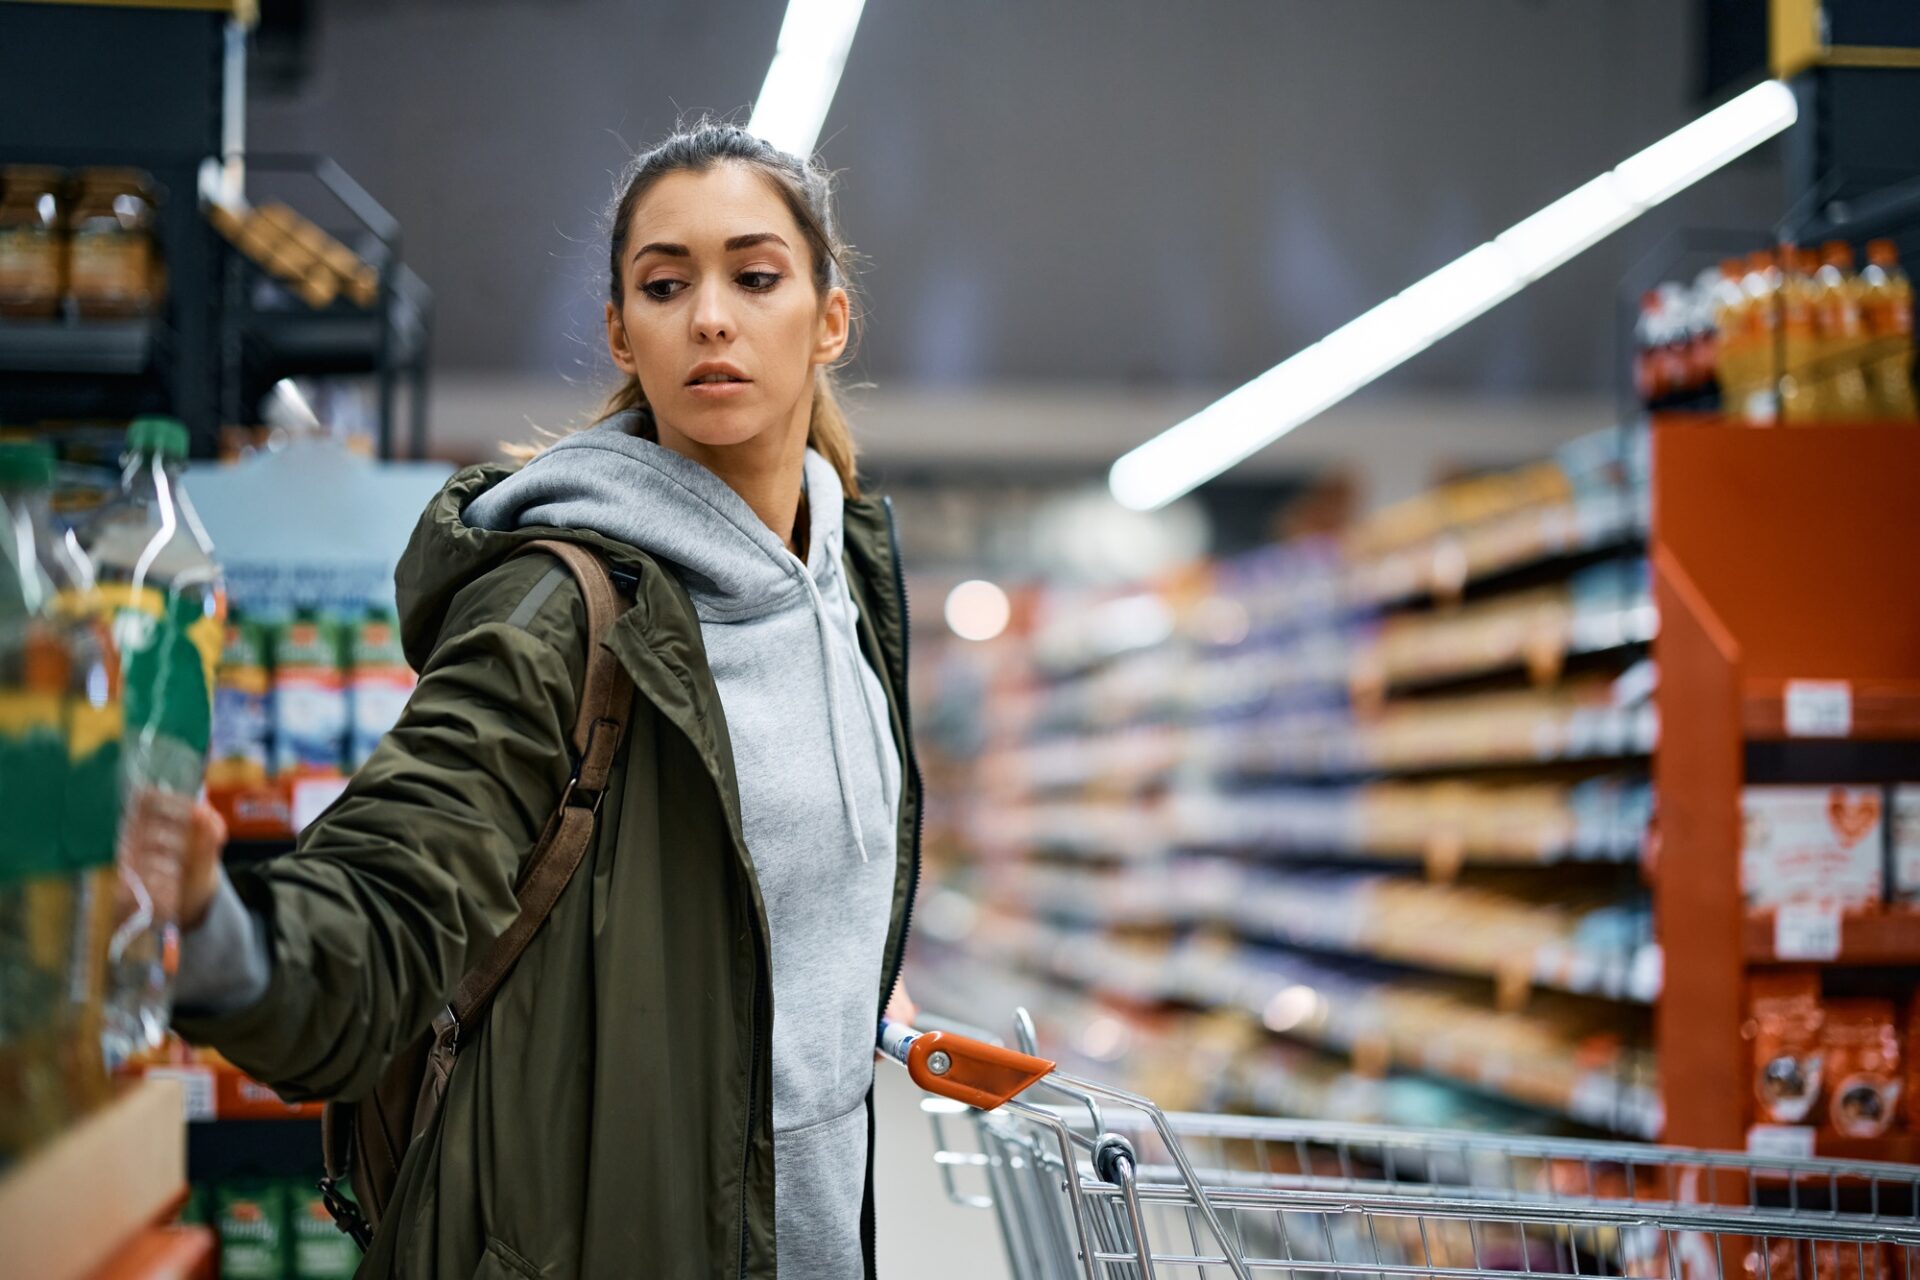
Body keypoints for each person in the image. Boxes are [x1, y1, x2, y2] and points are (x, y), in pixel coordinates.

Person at [171, 123, 922, 1279]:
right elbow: (399, 871)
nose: (711, 316)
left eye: (755, 276)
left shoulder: (853, 578)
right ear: (624, 330)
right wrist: (217, 928)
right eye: (666, 284)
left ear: (830, 318)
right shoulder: (558, 606)